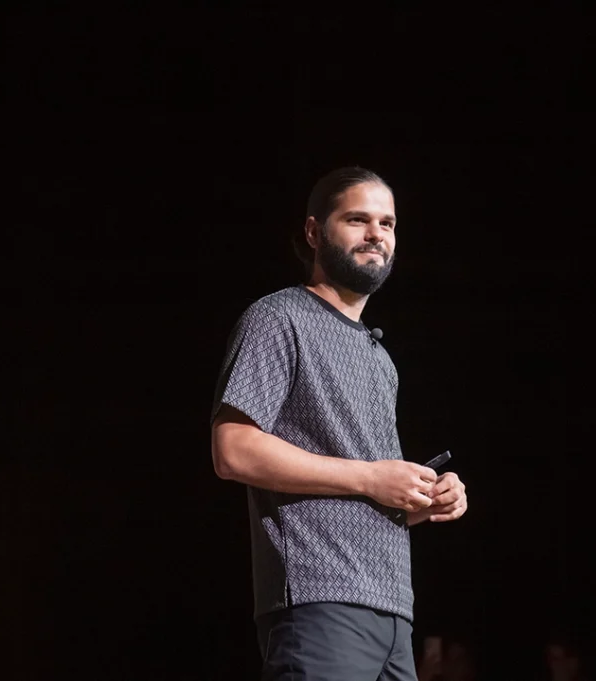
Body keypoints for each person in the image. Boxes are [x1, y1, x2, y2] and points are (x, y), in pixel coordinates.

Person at [210, 166, 469, 680]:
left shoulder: (380, 358)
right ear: (313, 232)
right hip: (319, 602)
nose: (376, 233)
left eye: (387, 223)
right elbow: (232, 450)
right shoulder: (279, 318)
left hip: (393, 614)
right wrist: (371, 476)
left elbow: (360, 495)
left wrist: (422, 499)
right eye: (357, 219)